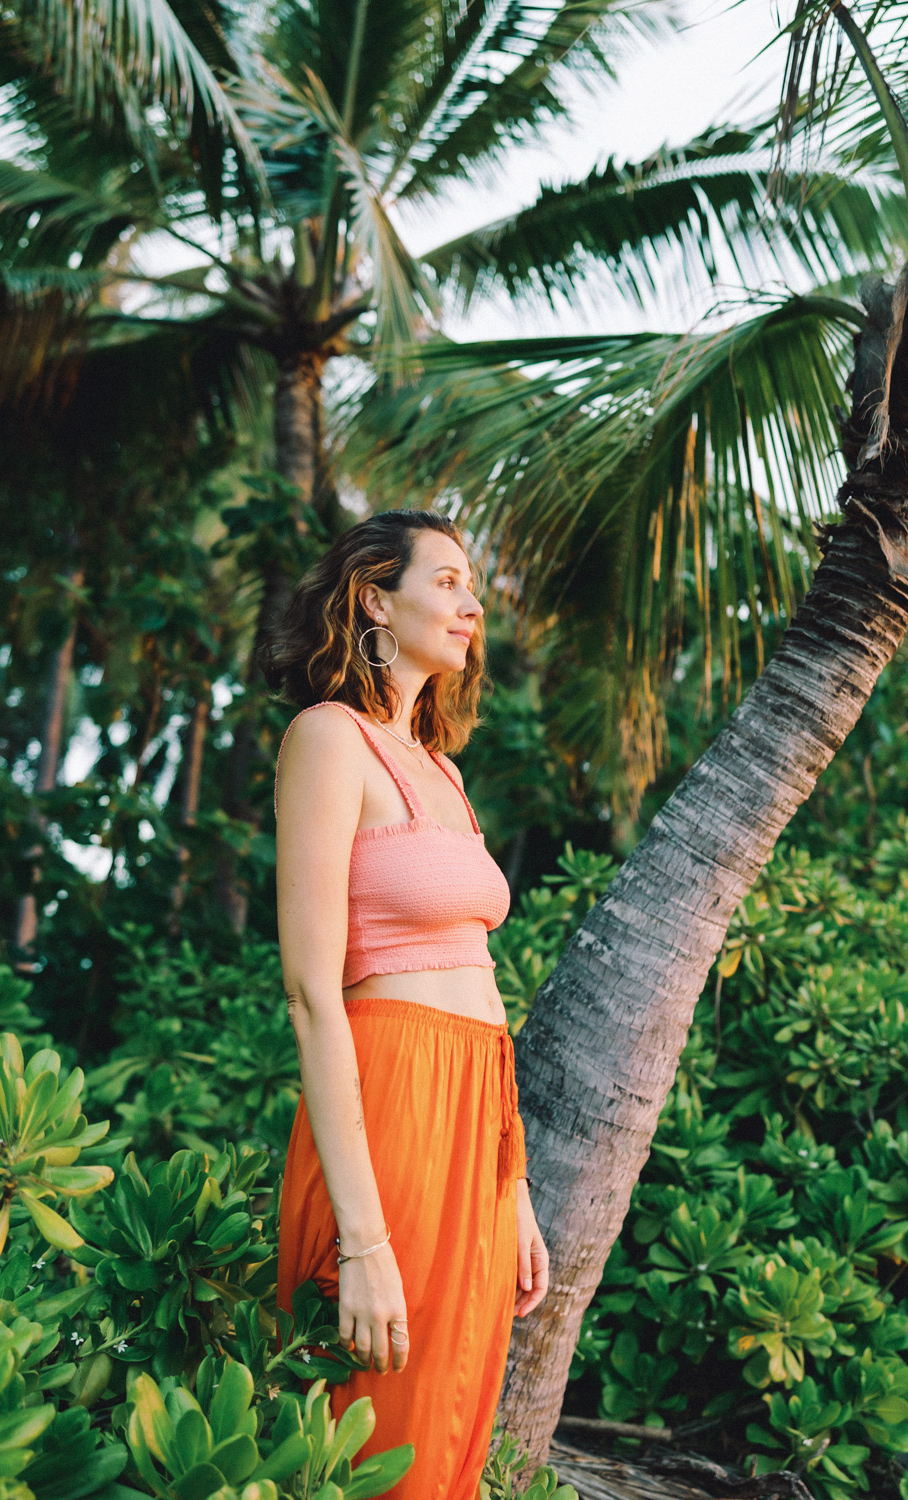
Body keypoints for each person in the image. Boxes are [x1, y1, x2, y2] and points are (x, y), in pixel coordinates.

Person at [263, 509, 550, 1498]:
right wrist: (364, 1236)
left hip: (477, 1118)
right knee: (376, 1433)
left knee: (446, 1432)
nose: (473, 605)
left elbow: (477, 977)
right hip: (392, 1105)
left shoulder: (445, 770)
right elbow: (311, 993)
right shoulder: (327, 740)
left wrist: (510, 1189)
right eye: (449, 581)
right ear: (376, 599)